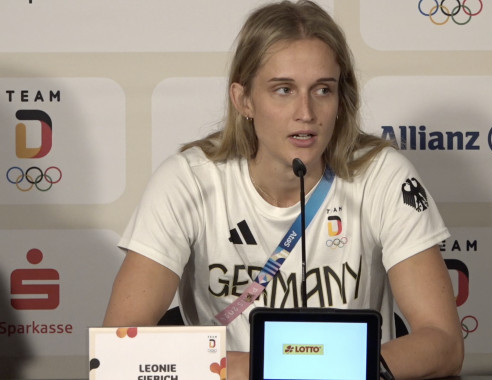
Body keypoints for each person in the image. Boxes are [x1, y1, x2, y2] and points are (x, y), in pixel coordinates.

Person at [103, 1, 464, 379]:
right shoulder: (189, 181)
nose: (305, 112)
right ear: (244, 100)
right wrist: (274, 368)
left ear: (341, 99)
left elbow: (444, 341)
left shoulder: (382, 175)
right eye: (283, 90)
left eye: (323, 90)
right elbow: (118, 342)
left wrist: (340, 369)